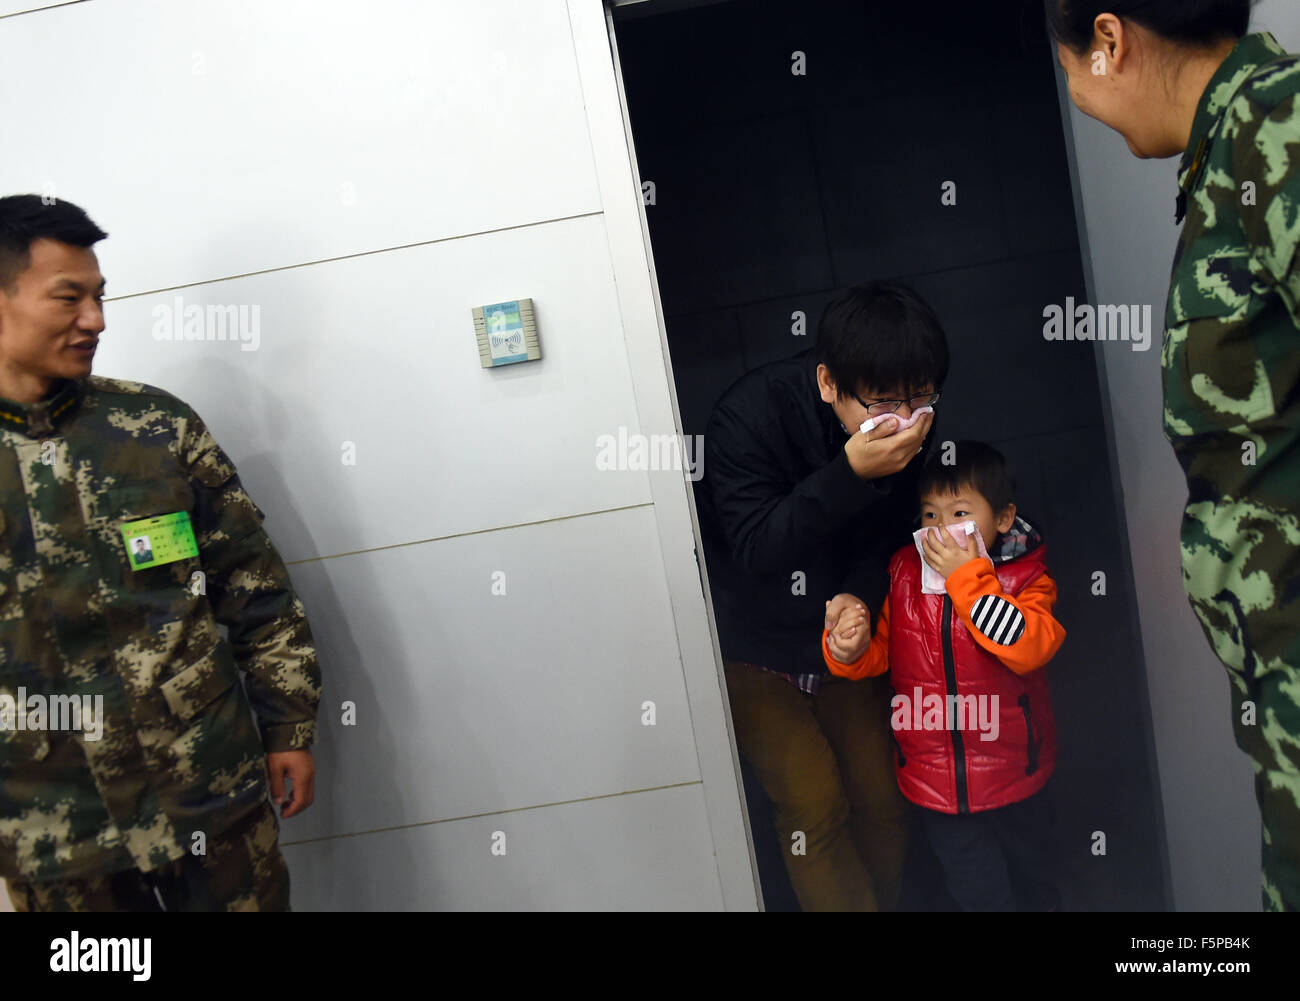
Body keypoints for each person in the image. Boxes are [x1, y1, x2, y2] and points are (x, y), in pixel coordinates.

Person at [0, 194, 322, 912]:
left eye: (99, 296)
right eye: (69, 297)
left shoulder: (153, 427)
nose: (96, 319)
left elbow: (254, 588)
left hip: (209, 794)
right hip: (53, 837)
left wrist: (288, 726)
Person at [1049, 0, 1300, 911]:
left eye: (1072, 68)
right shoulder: (1226, 151)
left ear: (1109, 40)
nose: (1079, 95)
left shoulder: (1278, 122)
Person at [697, 279, 943, 910]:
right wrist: (850, 473)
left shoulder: (913, 428)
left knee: (885, 801)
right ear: (829, 381)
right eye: (884, 403)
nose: (905, 420)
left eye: (921, 398)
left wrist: (858, 599)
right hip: (749, 642)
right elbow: (755, 547)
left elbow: (887, 539)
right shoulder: (748, 417)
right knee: (814, 803)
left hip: (840, 639)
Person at [823, 442, 1066, 911]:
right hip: (936, 783)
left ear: (1003, 518)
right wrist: (847, 648)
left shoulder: (1026, 578)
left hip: (1015, 771)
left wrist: (968, 579)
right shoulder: (903, 574)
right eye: (930, 515)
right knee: (978, 892)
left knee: (1037, 883)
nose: (941, 529)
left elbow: (1029, 647)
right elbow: (878, 656)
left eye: (958, 513)